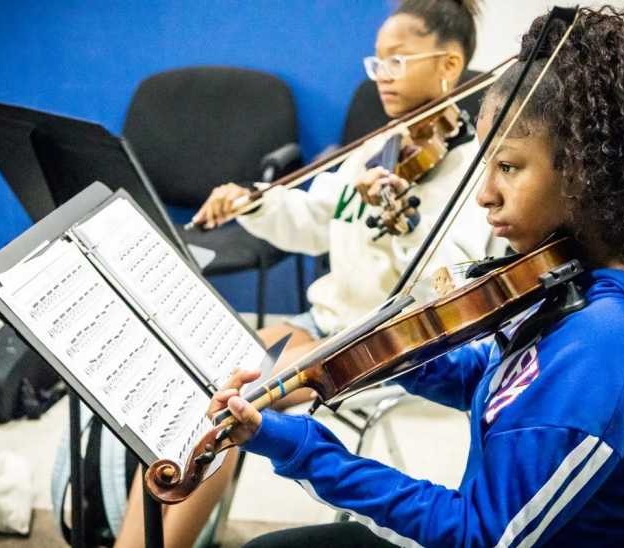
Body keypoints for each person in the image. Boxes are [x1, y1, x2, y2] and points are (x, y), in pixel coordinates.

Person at [210, 7, 624, 547]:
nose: (483, 193)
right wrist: (388, 352)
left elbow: (481, 535)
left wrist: (305, 448)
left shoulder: (605, 342)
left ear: (587, 171)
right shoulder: (582, 289)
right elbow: (501, 381)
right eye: (485, 164)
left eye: (509, 166)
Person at [115, 2, 502, 546]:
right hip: (326, 325)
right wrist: (251, 204)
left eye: (398, 61)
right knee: (204, 377)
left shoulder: (474, 174)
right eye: (377, 63)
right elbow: (312, 221)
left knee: (230, 406)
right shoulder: (380, 149)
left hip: (390, 351)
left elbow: (445, 292)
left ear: (448, 65)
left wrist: (393, 224)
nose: (382, 79)